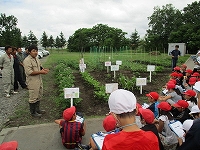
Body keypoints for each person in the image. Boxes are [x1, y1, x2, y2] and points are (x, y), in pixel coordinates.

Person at [23, 45, 49, 117]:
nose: (36, 52)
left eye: (36, 51)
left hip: (38, 79)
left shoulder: (36, 59)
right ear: (29, 52)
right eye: (33, 51)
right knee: (33, 96)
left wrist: (44, 70)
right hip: (32, 81)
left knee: (39, 94)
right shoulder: (27, 60)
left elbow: (40, 67)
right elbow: (29, 72)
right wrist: (41, 72)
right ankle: (33, 112)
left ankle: (37, 109)